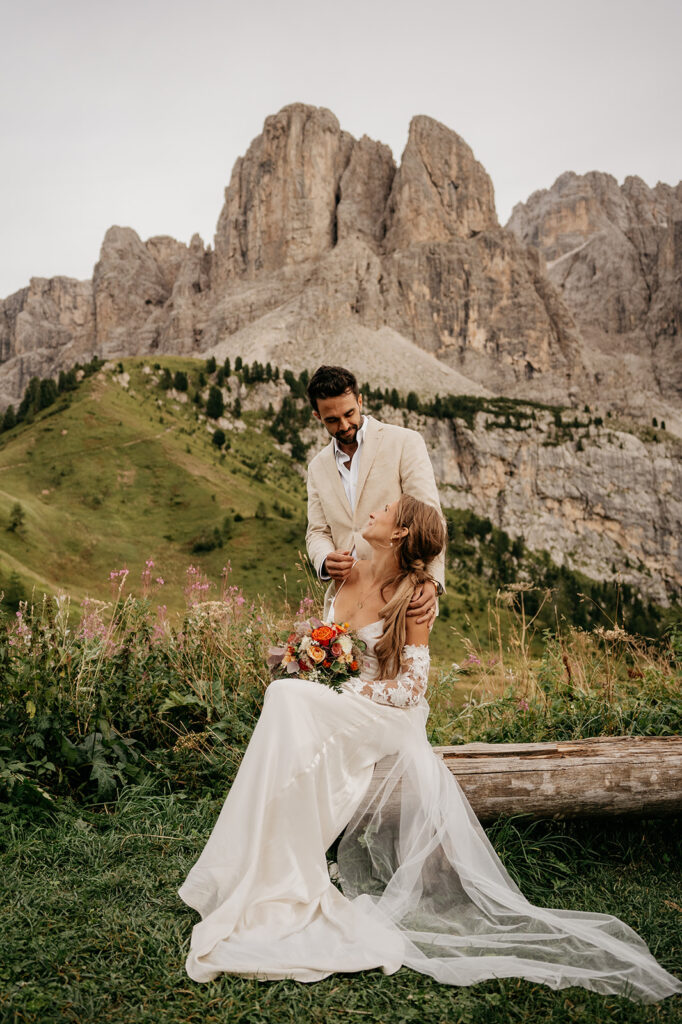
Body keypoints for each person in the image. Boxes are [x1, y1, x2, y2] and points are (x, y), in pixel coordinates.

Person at [178, 495, 680, 1003]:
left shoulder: (415, 594)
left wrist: (342, 689)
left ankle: (282, 868)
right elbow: (331, 642)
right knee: (287, 696)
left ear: (399, 534)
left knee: (287, 696)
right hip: (338, 697)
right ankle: (265, 867)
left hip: (387, 712)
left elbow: (413, 686)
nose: (372, 511)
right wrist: (313, 664)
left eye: (384, 510)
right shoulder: (346, 575)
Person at [305, 364, 445, 625]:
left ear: (360, 400)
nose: (345, 425)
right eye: (332, 420)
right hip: (344, 601)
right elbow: (317, 532)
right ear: (317, 416)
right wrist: (325, 559)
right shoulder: (317, 467)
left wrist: (433, 581)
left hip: (403, 596)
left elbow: (431, 519)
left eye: (349, 413)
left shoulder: (405, 442)